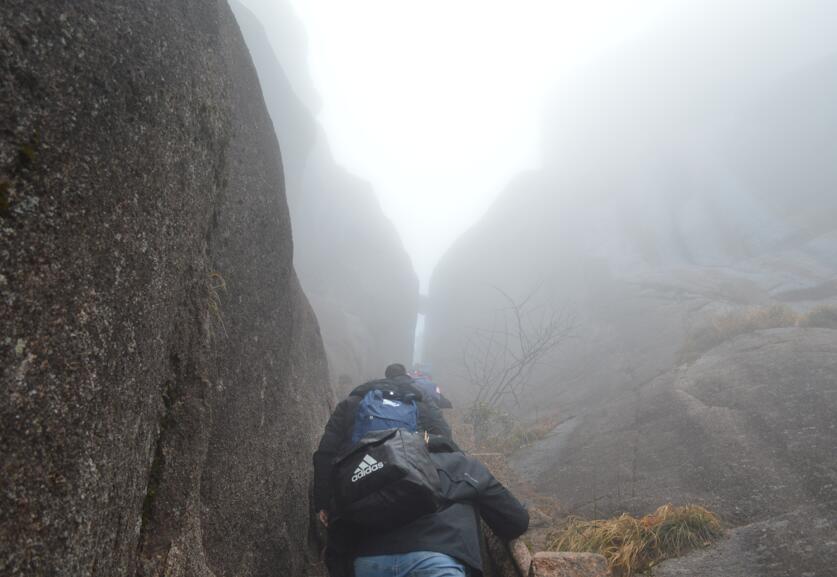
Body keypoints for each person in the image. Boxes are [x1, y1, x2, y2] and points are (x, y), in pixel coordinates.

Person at [314, 363, 455, 567]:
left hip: (354, 493)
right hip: (410, 492)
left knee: (346, 554)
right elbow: (445, 441)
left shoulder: (354, 401)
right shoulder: (422, 404)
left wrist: (323, 502)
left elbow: (325, 454)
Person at [349, 435, 529, 577]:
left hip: (370, 562)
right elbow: (515, 522)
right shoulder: (464, 465)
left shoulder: (379, 472)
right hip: (437, 560)